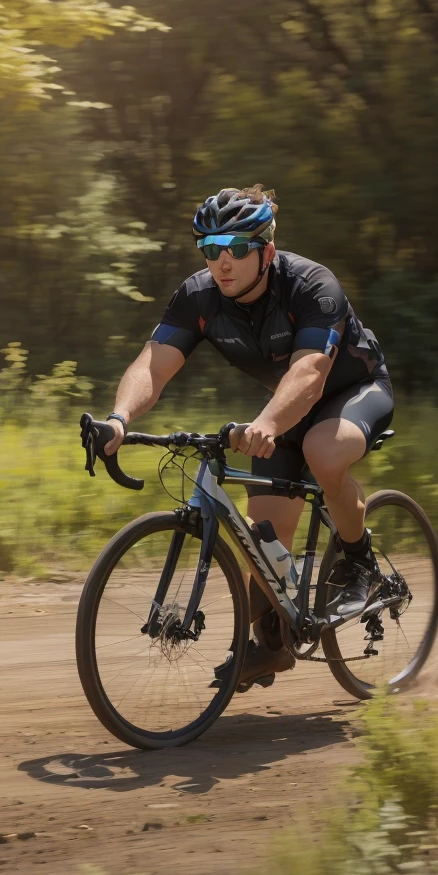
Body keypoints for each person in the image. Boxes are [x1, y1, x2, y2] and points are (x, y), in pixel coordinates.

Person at [101, 185, 393, 691]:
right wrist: (120, 418)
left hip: (352, 390)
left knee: (322, 453)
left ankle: (360, 558)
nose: (222, 262)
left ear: (267, 251)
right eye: (211, 250)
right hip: (282, 409)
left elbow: (312, 373)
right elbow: (154, 363)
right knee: (265, 544)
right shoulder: (199, 296)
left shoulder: (311, 285)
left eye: (236, 248)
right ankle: (271, 645)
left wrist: (266, 426)